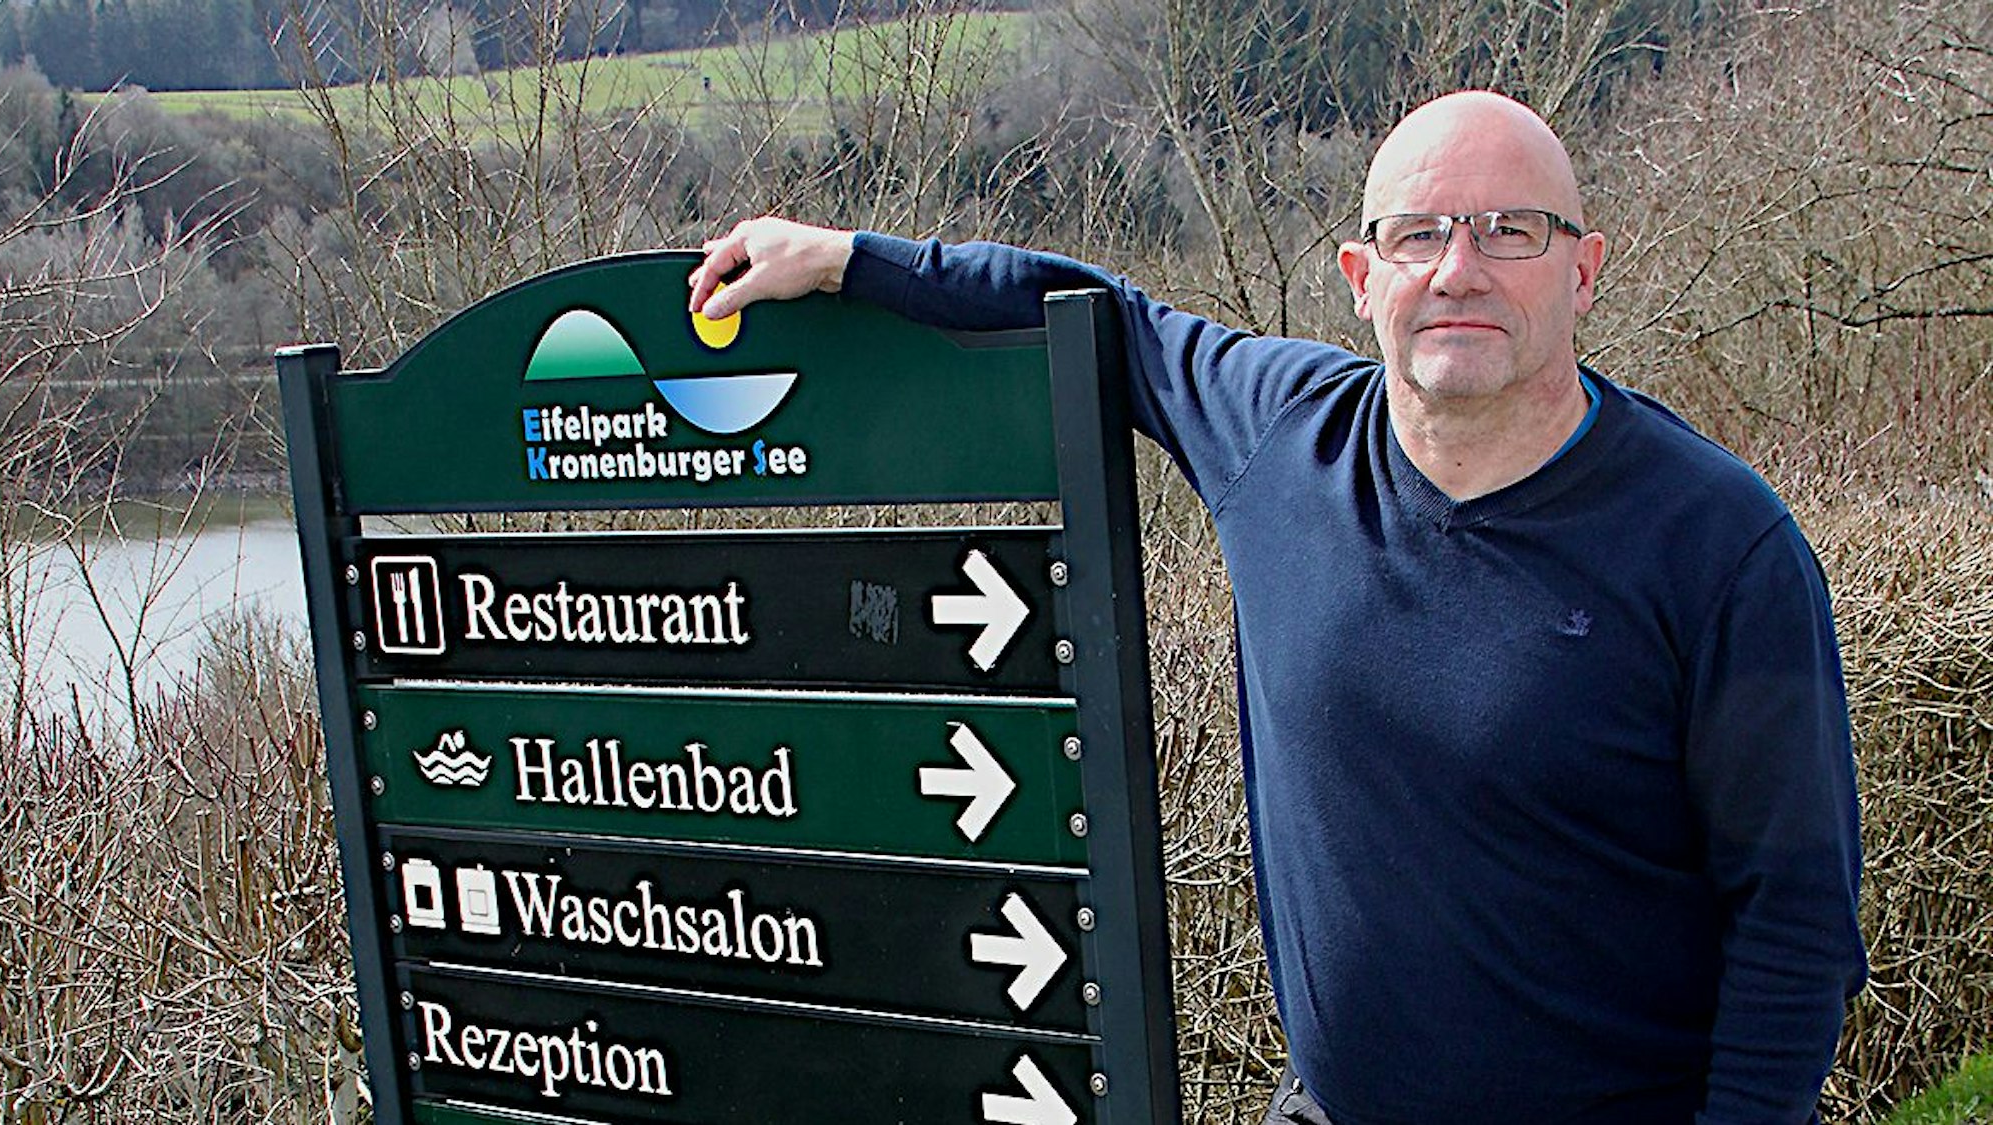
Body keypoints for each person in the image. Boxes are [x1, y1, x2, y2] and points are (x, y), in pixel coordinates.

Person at [686, 91, 1867, 1125]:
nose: (1458, 270)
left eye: (1510, 230)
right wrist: (845, 259)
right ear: (1360, 279)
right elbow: (1098, 313)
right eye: (1417, 234)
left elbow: (1796, 923)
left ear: (1583, 268)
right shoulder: (1281, 440)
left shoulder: (1717, 545)